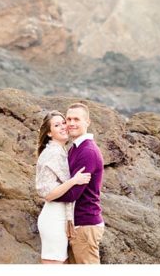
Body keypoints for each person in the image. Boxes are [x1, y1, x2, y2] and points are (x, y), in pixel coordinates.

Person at [35, 111, 91, 264]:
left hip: (59, 217)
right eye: (56, 125)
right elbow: (46, 193)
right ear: (49, 133)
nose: (63, 127)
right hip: (53, 218)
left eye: (63, 123)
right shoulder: (53, 152)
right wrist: (73, 181)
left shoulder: (61, 151)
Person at [53, 103, 105, 264]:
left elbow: (73, 193)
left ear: (87, 122)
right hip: (77, 223)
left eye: (76, 119)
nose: (71, 123)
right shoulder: (75, 148)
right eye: (68, 119)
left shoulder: (87, 151)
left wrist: (48, 195)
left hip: (85, 224)